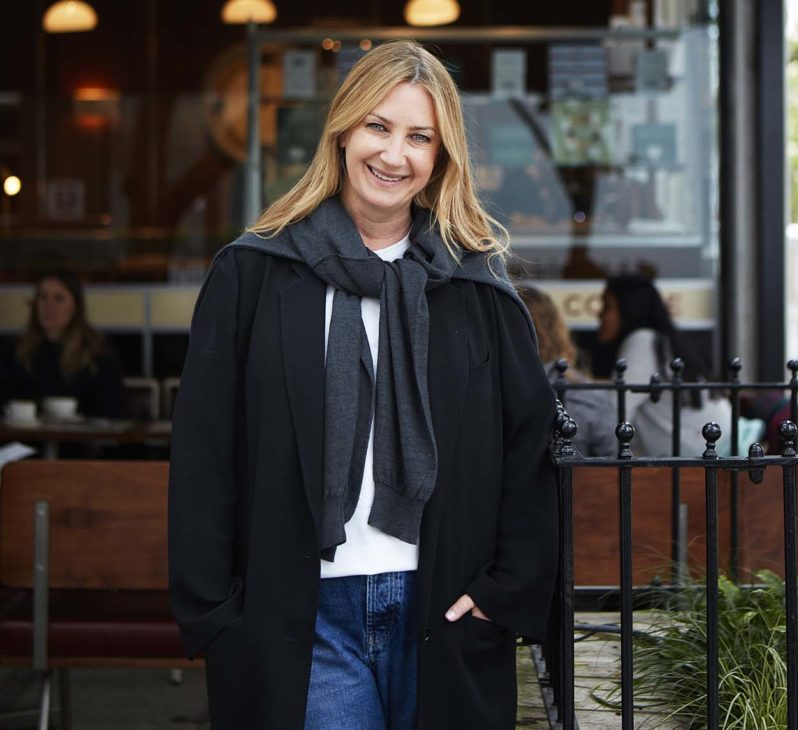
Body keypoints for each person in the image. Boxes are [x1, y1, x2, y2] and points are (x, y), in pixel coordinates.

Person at [168, 41, 558, 730]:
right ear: (343, 131)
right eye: (378, 126)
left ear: (440, 155)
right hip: (302, 619)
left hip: (442, 612)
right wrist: (218, 618)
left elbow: (529, 452)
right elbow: (205, 453)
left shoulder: (476, 291)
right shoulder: (255, 275)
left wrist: (505, 595)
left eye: (418, 137)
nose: (393, 154)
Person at [596, 274, 733, 456]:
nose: (599, 314)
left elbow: (615, 413)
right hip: (717, 447)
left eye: (607, 307)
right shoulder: (659, 342)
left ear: (628, 309)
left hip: (704, 459)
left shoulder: (642, 341)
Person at [0, 270, 125, 419]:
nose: (48, 306)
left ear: (75, 307)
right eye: (43, 297)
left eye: (58, 299)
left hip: (80, 440)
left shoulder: (97, 353)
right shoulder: (16, 350)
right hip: (27, 439)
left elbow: (111, 412)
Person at [519, 286, 618, 456]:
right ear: (556, 329)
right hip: (582, 480)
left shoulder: (495, 392)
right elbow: (612, 464)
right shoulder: (588, 393)